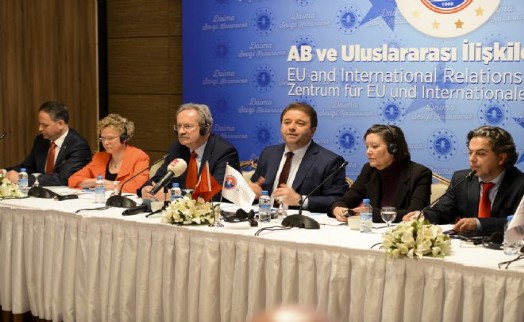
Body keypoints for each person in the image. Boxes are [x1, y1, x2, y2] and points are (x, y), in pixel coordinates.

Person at [403, 126, 524, 235]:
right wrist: (423, 216)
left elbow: (520, 224)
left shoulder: (520, 184)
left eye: (480, 154)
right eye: (470, 152)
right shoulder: (462, 179)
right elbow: (443, 211)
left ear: (501, 158)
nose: (472, 159)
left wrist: (479, 224)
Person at [249, 102, 347, 213]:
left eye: (300, 123)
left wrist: (300, 200)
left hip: (300, 224)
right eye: (287, 122)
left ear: (313, 130)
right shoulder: (269, 153)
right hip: (265, 219)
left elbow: (338, 201)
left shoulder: (329, 161)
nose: (291, 127)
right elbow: (255, 187)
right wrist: (250, 192)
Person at [329, 124, 432, 223]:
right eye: (367, 147)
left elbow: (415, 215)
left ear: (393, 149)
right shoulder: (369, 170)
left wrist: (371, 214)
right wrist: (337, 209)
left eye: (374, 146)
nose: (368, 152)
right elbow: (346, 200)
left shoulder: (420, 174)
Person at [140, 103, 240, 200]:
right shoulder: (177, 148)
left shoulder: (224, 152)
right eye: (179, 126)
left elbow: (216, 193)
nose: (181, 131)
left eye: (187, 126)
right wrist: (146, 189)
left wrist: (175, 197)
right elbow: (158, 179)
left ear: (206, 129)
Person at [3, 100, 91, 186]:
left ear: (60, 124)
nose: (40, 129)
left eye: (45, 125)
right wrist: (4, 172)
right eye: (40, 124)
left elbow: (63, 178)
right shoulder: (41, 140)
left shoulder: (78, 145)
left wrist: (24, 179)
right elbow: (28, 167)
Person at [68, 114, 150, 193]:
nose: (105, 143)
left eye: (110, 138)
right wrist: (99, 181)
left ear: (124, 138)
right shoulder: (99, 157)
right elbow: (73, 180)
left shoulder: (139, 157)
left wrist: (111, 186)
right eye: (103, 138)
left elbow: (139, 186)